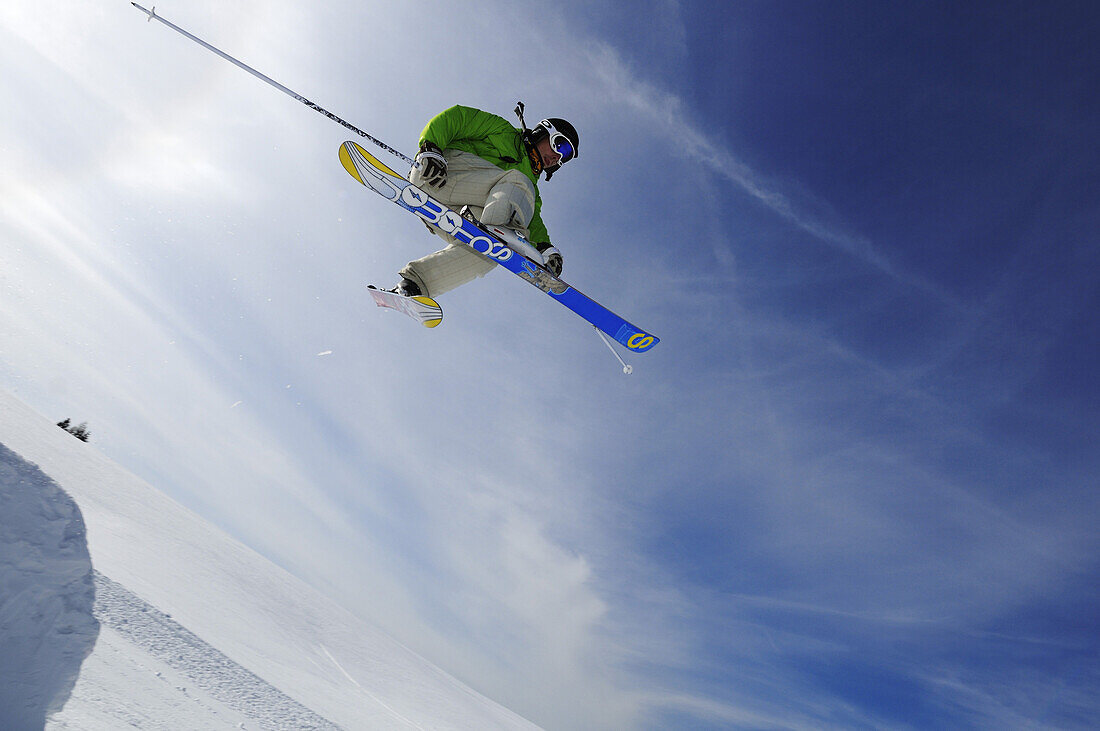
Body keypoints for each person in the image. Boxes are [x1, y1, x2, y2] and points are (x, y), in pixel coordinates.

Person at [391, 104, 579, 298]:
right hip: (438, 173)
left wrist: (545, 249)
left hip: (454, 212)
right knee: (518, 187)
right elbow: (458, 118)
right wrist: (431, 147)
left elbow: (533, 221)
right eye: (560, 145)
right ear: (543, 132)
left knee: (492, 252)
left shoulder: (528, 188)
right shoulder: (503, 131)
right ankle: (497, 231)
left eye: (564, 157)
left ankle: (413, 287)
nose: (557, 157)